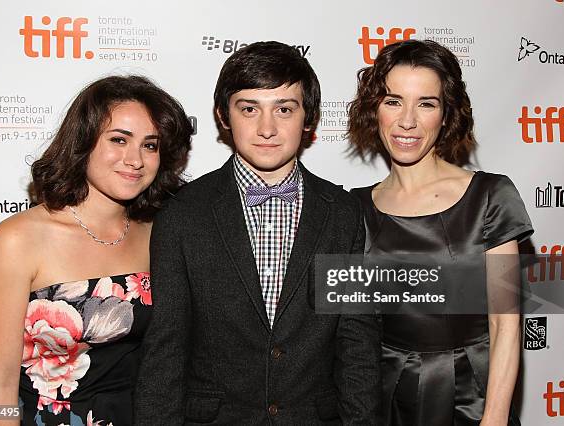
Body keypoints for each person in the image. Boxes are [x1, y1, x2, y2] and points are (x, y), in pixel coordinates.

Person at [134, 41, 381, 424]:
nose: (267, 128)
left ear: (309, 118)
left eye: (284, 109)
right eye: (249, 109)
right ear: (223, 116)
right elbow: (165, 352)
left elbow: (357, 348)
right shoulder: (182, 213)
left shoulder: (343, 213)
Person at [0, 75, 192, 425]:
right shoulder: (18, 240)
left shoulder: (161, 234)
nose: (135, 159)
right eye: (119, 140)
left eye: (150, 145)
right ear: (84, 142)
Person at [348, 39, 533, 425]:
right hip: (386, 400)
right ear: (374, 109)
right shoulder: (355, 208)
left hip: (473, 398)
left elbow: (506, 322)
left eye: (426, 103)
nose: (407, 120)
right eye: (393, 100)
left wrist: (495, 418)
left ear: (447, 114)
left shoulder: (490, 196)